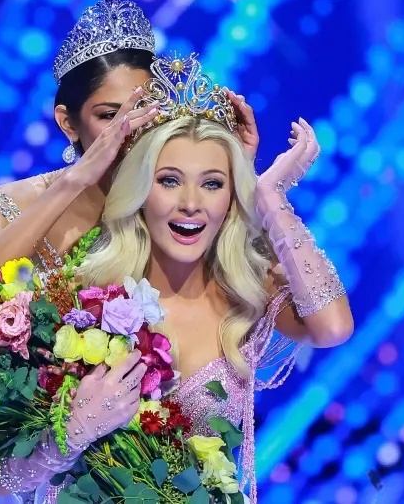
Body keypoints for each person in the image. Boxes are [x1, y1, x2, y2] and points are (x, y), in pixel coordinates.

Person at [69, 53, 355, 503]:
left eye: (212, 184)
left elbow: (334, 327)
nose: (190, 203)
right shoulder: (88, 296)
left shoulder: (247, 295)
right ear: (141, 191)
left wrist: (269, 197)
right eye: (169, 181)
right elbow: (15, 470)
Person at [0, 0, 260, 273]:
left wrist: (239, 169)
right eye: (109, 115)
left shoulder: (165, 204)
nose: (127, 128)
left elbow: (247, 286)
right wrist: (75, 181)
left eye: (142, 110)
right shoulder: (11, 204)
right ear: (68, 123)